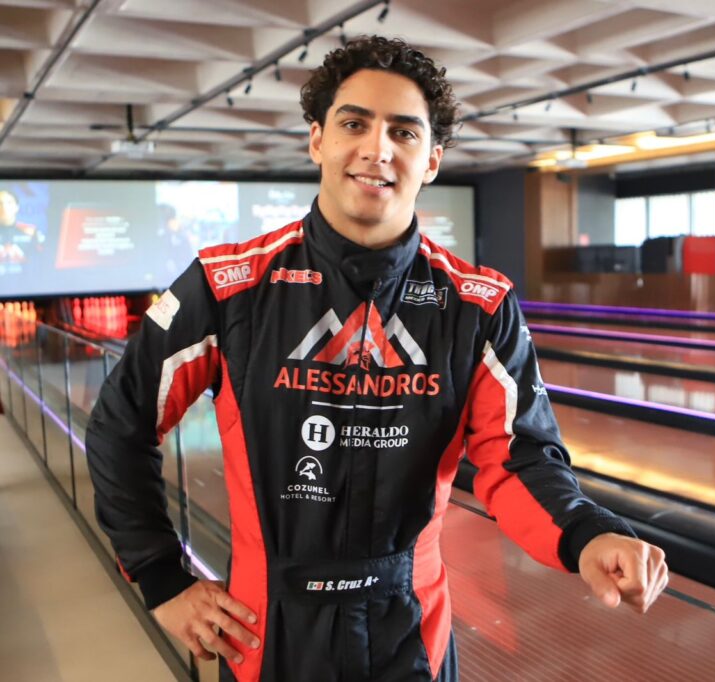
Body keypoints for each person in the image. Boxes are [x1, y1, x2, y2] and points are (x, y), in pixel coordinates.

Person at [85, 36, 668, 682]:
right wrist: (162, 578)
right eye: (354, 124)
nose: (377, 149)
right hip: (266, 632)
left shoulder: (478, 306)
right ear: (318, 140)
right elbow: (121, 422)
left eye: (404, 132)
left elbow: (518, 459)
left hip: (413, 630)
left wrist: (587, 532)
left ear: (433, 159)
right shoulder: (229, 286)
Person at [0, 189, 44, 265]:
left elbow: (41, 260)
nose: (4, 207)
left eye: (9, 203)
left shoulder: (30, 231)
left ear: (17, 207)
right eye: (0, 203)